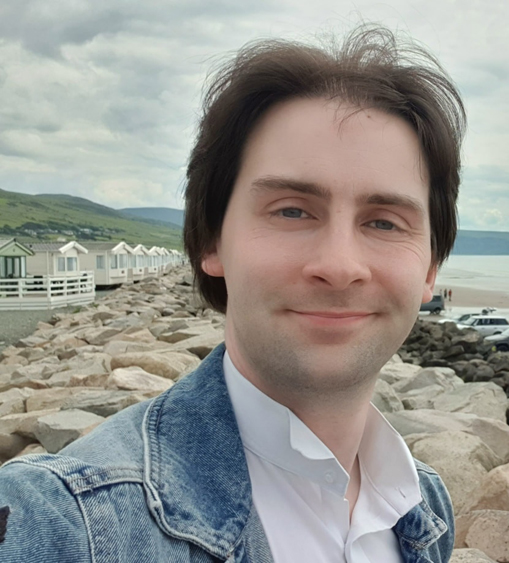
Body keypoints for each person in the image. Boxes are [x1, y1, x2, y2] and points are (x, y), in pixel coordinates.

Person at [0, 25, 464, 563]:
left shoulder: (424, 507)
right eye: (292, 210)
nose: (340, 266)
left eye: (384, 222)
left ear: (430, 266)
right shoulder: (62, 522)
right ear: (212, 241)